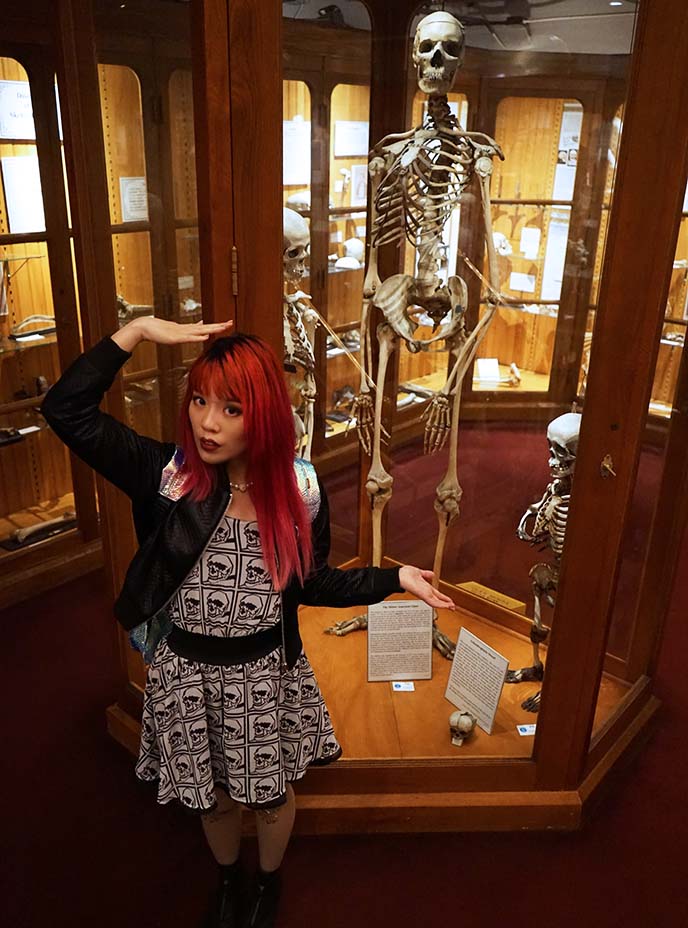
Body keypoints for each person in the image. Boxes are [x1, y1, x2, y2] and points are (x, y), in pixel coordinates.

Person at [41, 317, 456, 928]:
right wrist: (135, 332)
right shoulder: (168, 477)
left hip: (263, 676)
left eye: (230, 408)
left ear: (260, 415)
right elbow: (66, 409)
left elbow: (316, 583)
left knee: (267, 796)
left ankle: (267, 881)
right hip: (186, 672)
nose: (208, 422)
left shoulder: (300, 490)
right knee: (211, 799)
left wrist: (392, 579)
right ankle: (231, 878)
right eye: (201, 401)